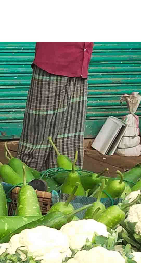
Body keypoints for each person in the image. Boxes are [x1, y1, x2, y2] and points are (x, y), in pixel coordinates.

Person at [17, 42, 94, 173]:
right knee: (37, 138)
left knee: (69, 140)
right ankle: (25, 184)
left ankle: (61, 189)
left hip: (79, 65)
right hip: (52, 62)